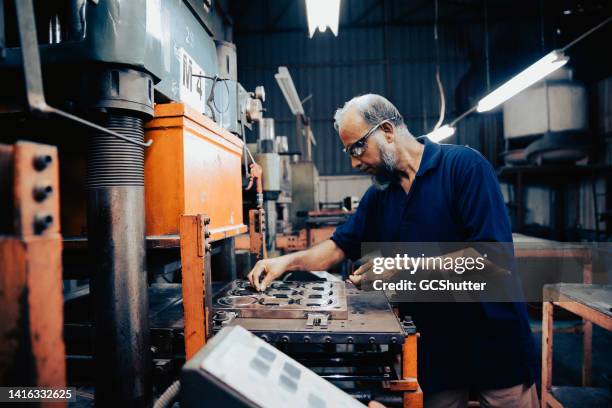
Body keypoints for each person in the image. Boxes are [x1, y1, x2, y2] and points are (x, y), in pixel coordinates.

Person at [247, 94, 539, 408]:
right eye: (348, 152)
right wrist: (284, 262)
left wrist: (403, 268)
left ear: (387, 130)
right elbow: (338, 247)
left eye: (357, 147)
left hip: (492, 339)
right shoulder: (379, 198)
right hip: (436, 351)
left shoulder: (464, 168)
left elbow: (491, 258)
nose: (354, 162)